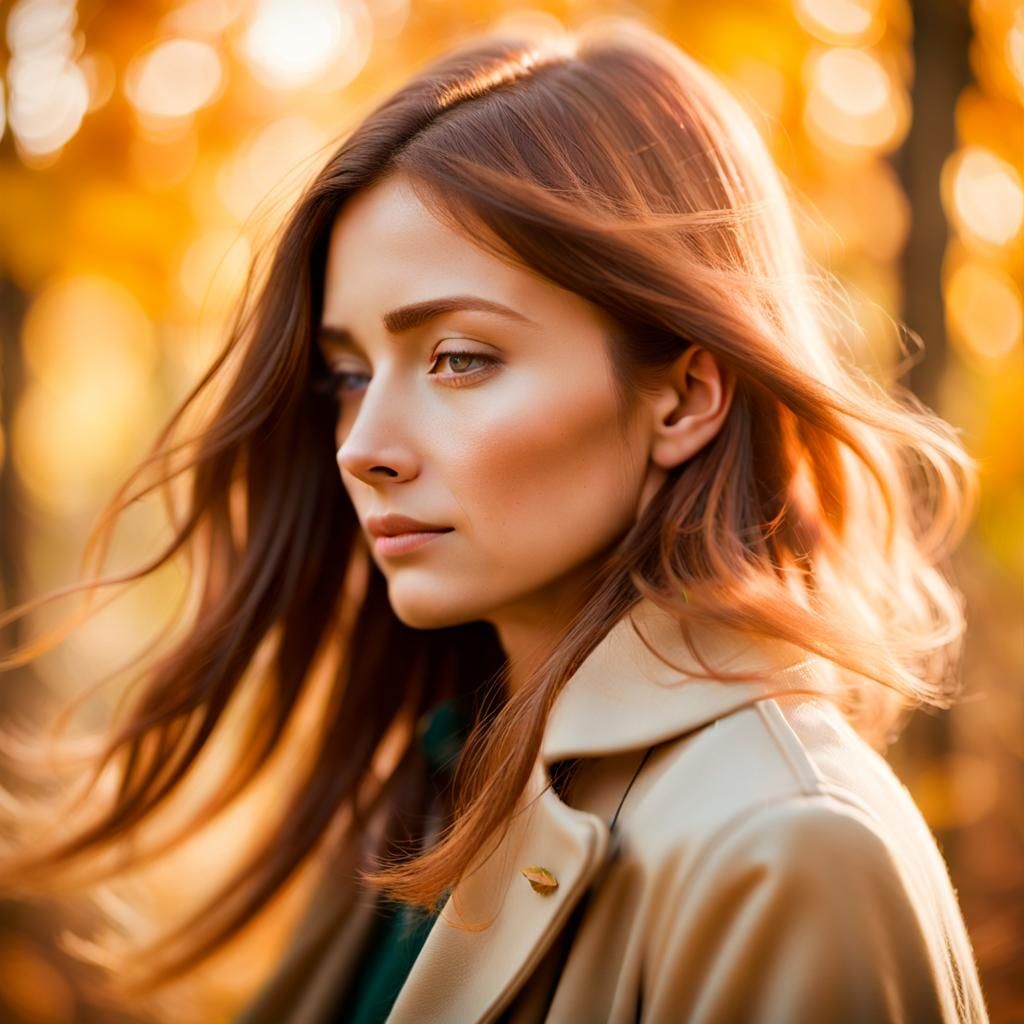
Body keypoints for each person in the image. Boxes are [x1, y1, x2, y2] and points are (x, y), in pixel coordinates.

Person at [0, 17, 989, 1024]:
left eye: (458, 357)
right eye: (347, 374)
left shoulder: (786, 849)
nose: (361, 444)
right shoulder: (436, 790)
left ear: (684, 399)